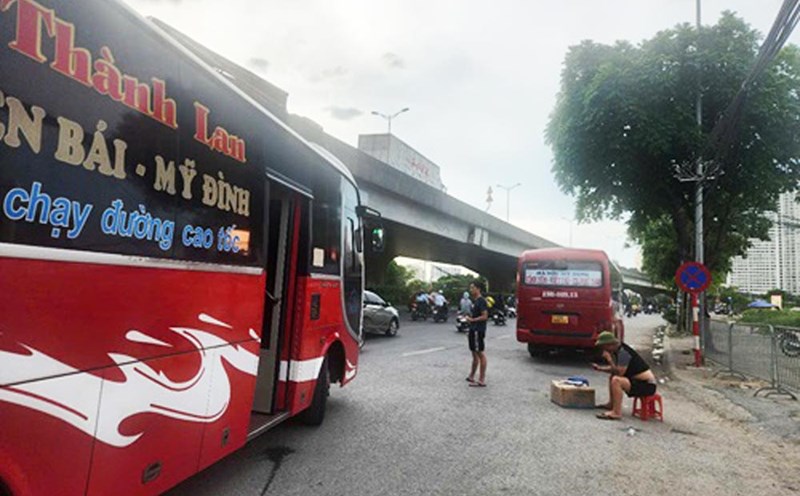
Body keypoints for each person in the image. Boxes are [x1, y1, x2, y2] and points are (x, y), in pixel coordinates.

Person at [592, 331, 657, 420]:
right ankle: (611, 404)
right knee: (612, 377)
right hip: (637, 381)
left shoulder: (623, 353)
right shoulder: (617, 351)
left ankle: (616, 412)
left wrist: (609, 359)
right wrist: (600, 368)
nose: (604, 350)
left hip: (646, 385)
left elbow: (619, 373)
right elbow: (617, 368)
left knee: (616, 380)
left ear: (610, 344)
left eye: (604, 347)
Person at [466, 280, 489, 387]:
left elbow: (485, 316)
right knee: (474, 353)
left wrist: (472, 320)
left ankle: (481, 379)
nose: (471, 290)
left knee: (480, 353)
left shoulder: (481, 301)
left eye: (472, 287)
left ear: (478, 289)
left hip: (478, 330)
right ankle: (471, 376)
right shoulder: (475, 301)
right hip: (473, 329)